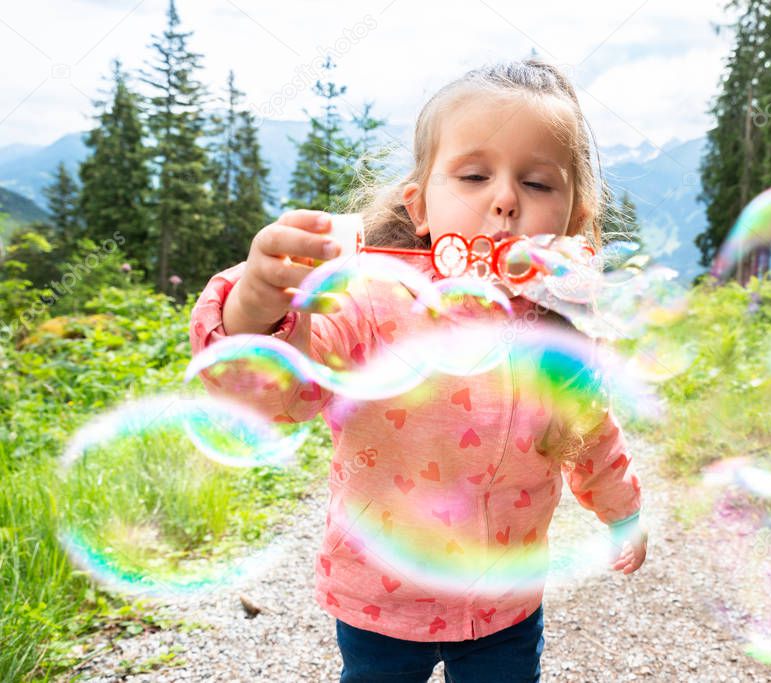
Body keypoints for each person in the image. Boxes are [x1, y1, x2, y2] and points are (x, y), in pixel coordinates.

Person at [189, 58, 647, 683]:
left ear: (571, 221)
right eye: (474, 175)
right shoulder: (371, 304)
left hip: (503, 602)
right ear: (420, 205)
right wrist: (256, 308)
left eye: (538, 184)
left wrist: (622, 513)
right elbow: (283, 392)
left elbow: (592, 435)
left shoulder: (557, 332)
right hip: (379, 594)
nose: (506, 200)